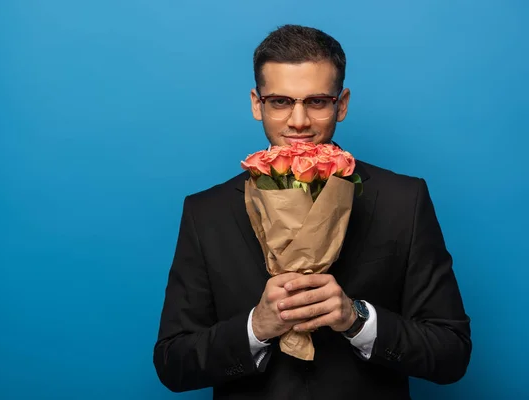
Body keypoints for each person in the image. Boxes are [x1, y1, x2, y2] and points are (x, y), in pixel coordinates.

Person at [153, 24, 471, 399]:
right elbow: (173, 363)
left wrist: (356, 319)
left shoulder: (404, 199)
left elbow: (451, 354)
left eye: (317, 101)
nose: (299, 121)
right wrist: (256, 327)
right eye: (281, 101)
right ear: (258, 104)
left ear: (343, 103)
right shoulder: (206, 212)